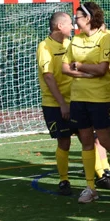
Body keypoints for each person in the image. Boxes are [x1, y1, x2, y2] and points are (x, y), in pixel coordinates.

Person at [61, 1, 110, 204]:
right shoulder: (74, 41)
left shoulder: (105, 39)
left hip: (100, 99)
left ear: (87, 18)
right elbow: (64, 68)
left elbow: (102, 69)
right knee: (87, 142)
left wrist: (79, 66)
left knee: (105, 140)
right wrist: (86, 71)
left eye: (77, 17)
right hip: (78, 99)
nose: (75, 21)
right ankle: (90, 188)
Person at [37, 12, 75, 195]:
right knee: (64, 141)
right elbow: (49, 77)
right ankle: (64, 180)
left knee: (91, 138)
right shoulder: (44, 47)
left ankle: (101, 176)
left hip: (77, 100)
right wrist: (62, 104)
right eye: (70, 24)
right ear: (60, 26)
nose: (73, 27)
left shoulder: (71, 44)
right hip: (55, 103)